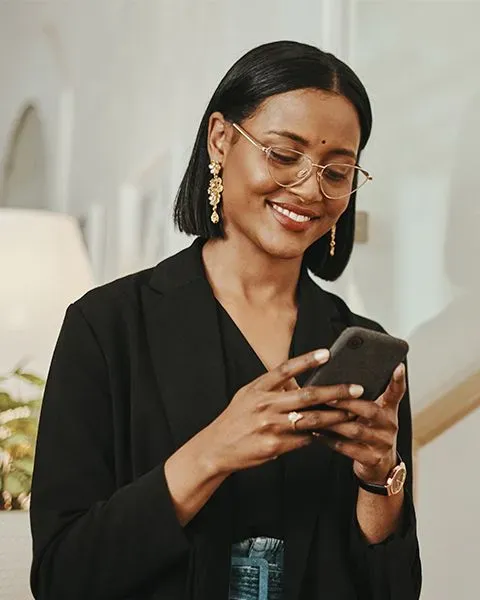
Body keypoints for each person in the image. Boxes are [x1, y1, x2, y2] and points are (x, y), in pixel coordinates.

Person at [30, 41, 421, 600]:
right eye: (284, 155)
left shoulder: (363, 350)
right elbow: (62, 576)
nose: (311, 189)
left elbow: (395, 589)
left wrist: (379, 478)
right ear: (220, 138)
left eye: (337, 171)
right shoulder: (107, 327)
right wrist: (212, 451)